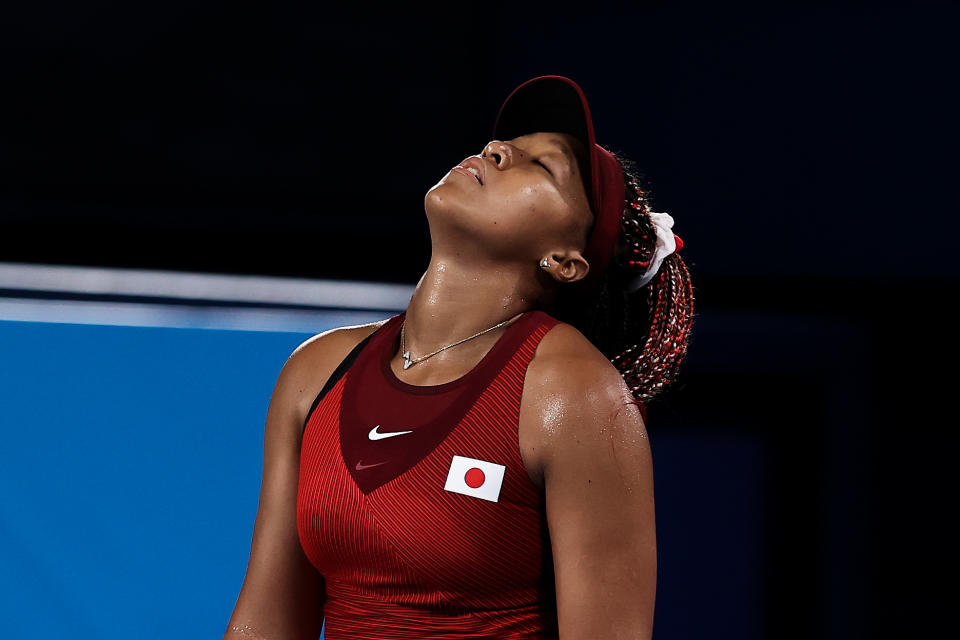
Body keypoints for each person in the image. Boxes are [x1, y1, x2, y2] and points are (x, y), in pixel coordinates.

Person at [224, 75, 695, 640]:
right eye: (508, 145)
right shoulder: (316, 371)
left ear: (565, 261)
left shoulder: (575, 394)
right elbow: (265, 622)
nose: (496, 150)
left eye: (542, 166)